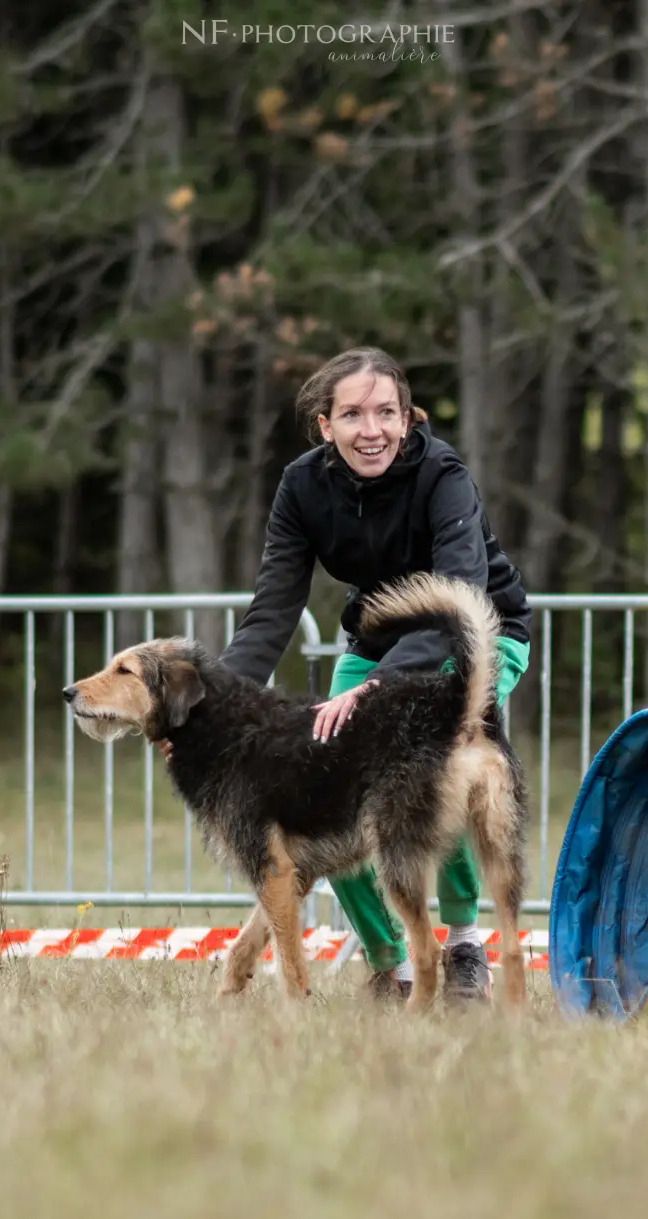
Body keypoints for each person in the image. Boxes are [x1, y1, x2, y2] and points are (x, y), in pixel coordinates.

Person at [208, 346, 532, 1003]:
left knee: (433, 773)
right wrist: (210, 708)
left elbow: (460, 593)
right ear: (325, 425)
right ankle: (395, 963)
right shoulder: (302, 486)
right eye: (353, 414)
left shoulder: (443, 475)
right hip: (376, 643)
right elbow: (273, 611)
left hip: (475, 635)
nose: (372, 429)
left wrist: (375, 689)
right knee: (329, 779)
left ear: (409, 418)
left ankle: (466, 945)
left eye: (386, 412)